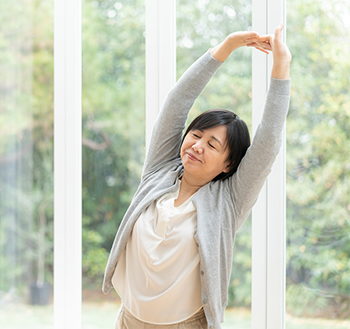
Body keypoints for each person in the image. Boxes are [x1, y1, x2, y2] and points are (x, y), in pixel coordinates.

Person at [102, 23, 292, 329]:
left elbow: (268, 140)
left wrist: (281, 65)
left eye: (212, 144)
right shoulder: (158, 172)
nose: (197, 146)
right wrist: (226, 47)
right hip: (128, 321)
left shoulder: (228, 202)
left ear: (228, 164)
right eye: (197, 134)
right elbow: (177, 102)